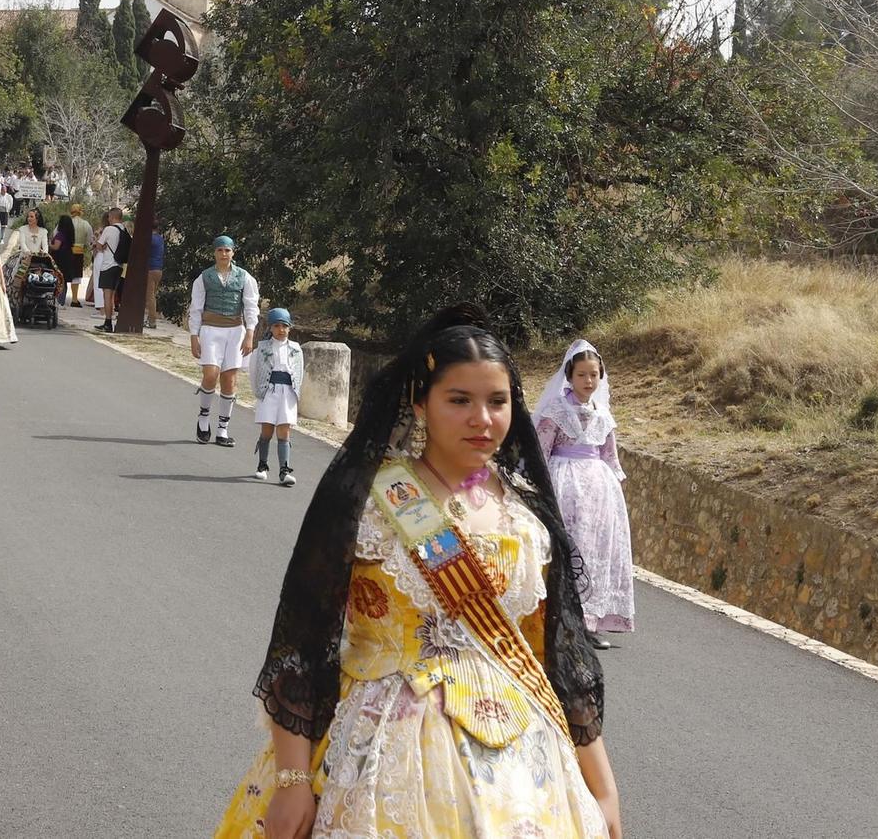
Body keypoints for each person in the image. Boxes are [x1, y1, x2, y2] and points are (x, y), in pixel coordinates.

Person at [213, 305, 621, 839]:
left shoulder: (528, 514)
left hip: (526, 767)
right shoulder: (368, 500)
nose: (482, 418)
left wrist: (603, 789)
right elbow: (304, 643)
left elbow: (560, 659)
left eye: (497, 402)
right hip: (377, 757)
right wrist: (292, 779)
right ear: (419, 402)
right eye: (460, 400)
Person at [533, 340, 635, 647]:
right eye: (582, 375)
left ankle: (590, 621)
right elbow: (541, 451)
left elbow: (610, 455)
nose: (588, 381)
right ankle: (561, 619)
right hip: (564, 487)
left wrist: (614, 489)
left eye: (593, 375)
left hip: (599, 493)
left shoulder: (602, 413)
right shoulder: (556, 411)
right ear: (570, 375)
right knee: (569, 551)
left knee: (596, 553)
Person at [187, 235, 260, 447]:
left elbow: (250, 306)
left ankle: (223, 428)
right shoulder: (204, 277)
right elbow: (196, 308)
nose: (224, 254)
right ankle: (203, 417)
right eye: (220, 250)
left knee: (229, 379)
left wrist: (249, 333)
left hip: (235, 331)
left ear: (233, 252)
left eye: (227, 250)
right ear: (214, 253)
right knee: (210, 375)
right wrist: (194, 335)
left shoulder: (245, 277)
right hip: (210, 330)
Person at [247, 307, 304, 485]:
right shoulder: (262, 348)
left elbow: (299, 371)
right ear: (270, 328)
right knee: (267, 429)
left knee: (284, 430)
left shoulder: (296, 349)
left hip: (287, 392)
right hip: (269, 390)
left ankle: (284, 470)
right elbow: (254, 371)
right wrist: (259, 392)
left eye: (284, 326)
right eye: (277, 326)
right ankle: (262, 465)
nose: (281, 330)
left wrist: (296, 393)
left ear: (290, 328)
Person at [90, 207, 126, 332]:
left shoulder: (109, 229)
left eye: (110, 217)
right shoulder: (123, 229)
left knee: (107, 294)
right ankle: (110, 320)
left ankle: (108, 322)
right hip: (119, 265)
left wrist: (101, 246)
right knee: (113, 294)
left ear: (113, 217)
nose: (109, 219)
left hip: (108, 264)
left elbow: (99, 246)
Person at [50, 211, 82, 306]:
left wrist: (48, 244)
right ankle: (62, 300)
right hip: (68, 257)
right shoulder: (70, 234)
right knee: (64, 280)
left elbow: (56, 247)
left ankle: (58, 300)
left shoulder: (60, 234)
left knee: (59, 279)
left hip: (60, 258)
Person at [67, 203, 93, 305]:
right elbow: (89, 240)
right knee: (76, 276)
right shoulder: (86, 224)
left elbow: (56, 234)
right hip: (79, 252)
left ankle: (60, 298)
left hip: (67, 251)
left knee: (64, 274)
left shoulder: (67, 223)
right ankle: (74, 299)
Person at [142, 216, 166, 327]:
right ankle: (149, 319)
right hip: (159, 268)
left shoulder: (149, 238)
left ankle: (152, 321)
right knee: (152, 295)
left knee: (150, 296)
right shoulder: (160, 238)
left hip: (150, 268)